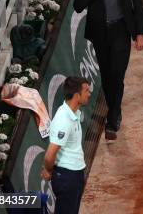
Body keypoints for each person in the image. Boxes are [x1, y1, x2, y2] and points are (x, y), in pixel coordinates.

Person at [73, 0, 143, 142]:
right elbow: (78, 5)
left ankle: (113, 117)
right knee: (107, 76)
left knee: (117, 73)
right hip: (100, 33)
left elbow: (137, 3)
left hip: (121, 30)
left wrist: (140, 33)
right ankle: (115, 109)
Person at [41, 77, 91, 214]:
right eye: (86, 91)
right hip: (67, 177)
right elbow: (49, 155)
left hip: (74, 174)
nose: (89, 93)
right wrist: (48, 170)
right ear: (77, 95)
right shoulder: (64, 120)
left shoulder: (73, 113)